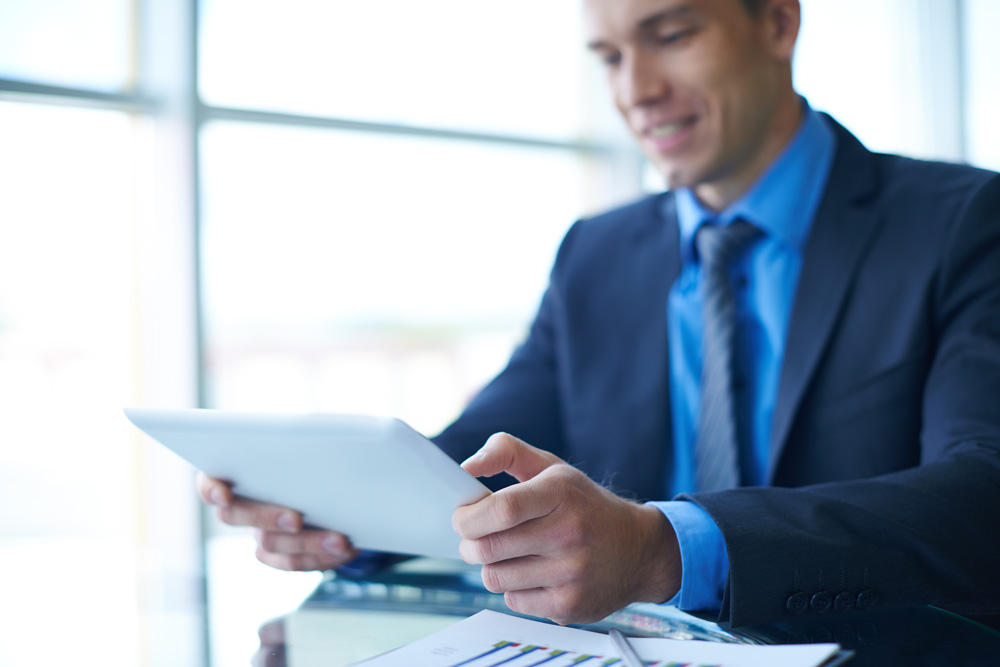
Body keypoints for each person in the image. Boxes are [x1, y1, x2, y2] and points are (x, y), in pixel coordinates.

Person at [199, 0, 1000, 628]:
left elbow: (982, 495)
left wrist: (664, 548)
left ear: (778, 22)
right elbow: (481, 456)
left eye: (672, 35)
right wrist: (339, 509)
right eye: (610, 57)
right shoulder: (597, 253)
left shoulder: (962, 221)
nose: (635, 91)